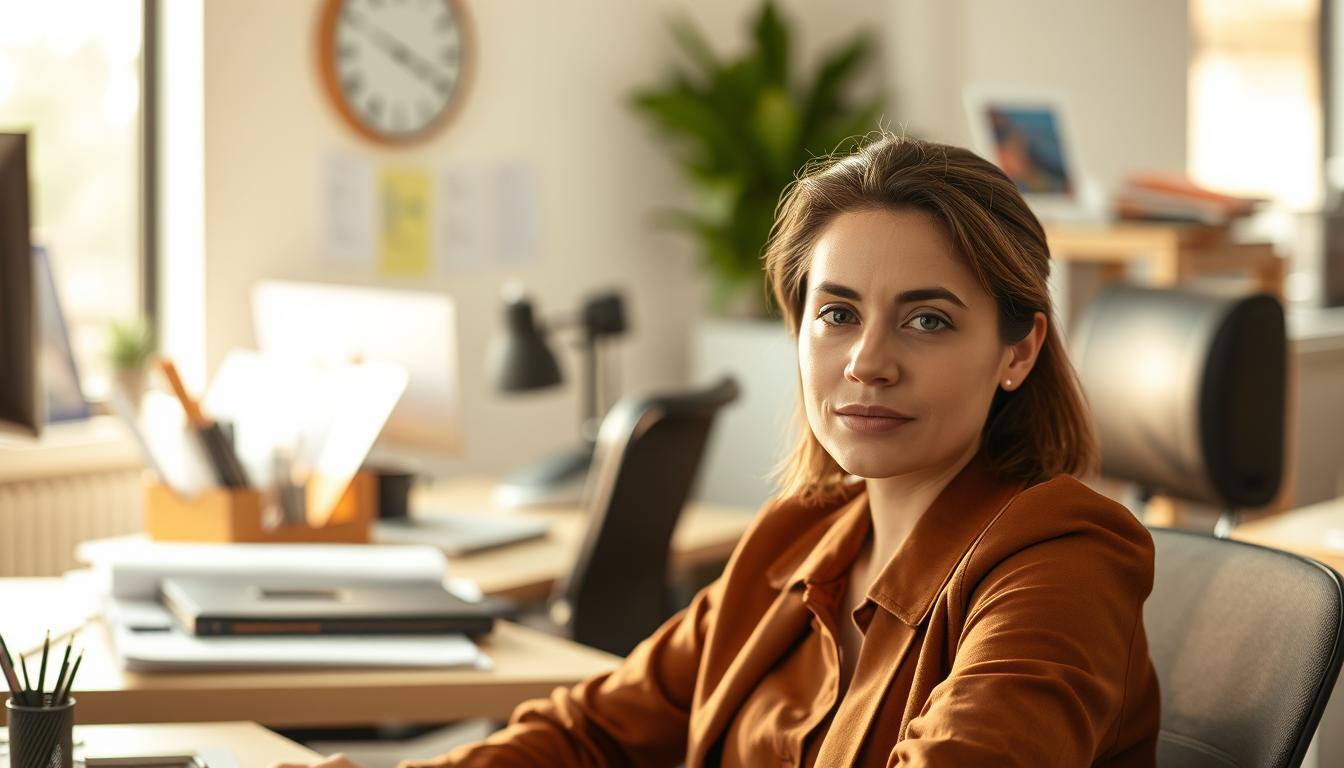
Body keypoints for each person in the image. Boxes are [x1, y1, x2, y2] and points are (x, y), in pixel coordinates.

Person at [278, 134, 1160, 768]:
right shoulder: (795, 541)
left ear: (1018, 352)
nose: (867, 362)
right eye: (838, 313)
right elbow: (593, 733)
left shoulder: (1062, 556)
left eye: (927, 320)